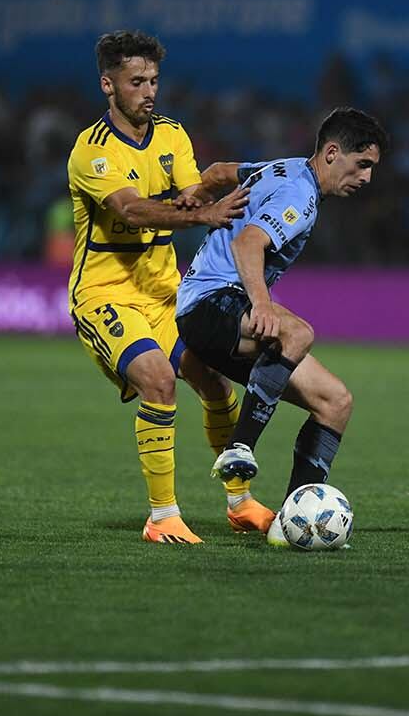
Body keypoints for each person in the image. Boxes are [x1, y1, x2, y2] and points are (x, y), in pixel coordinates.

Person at [67, 29, 268, 546]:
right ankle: (162, 516)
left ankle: (240, 502)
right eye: (137, 81)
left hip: (164, 294)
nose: (149, 91)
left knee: (216, 384)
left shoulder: (173, 135)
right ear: (108, 85)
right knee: (158, 380)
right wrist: (202, 212)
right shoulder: (92, 152)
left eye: (154, 80)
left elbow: (188, 195)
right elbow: (131, 209)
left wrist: (220, 189)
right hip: (106, 295)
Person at [175, 107, 387, 547]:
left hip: (212, 308)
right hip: (212, 306)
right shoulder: (300, 196)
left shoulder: (281, 167)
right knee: (298, 332)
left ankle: (293, 523)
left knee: (335, 402)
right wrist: (262, 304)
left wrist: (195, 197)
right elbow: (248, 241)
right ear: (332, 153)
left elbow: (217, 172)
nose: (366, 178)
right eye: (361, 164)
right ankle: (241, 446)